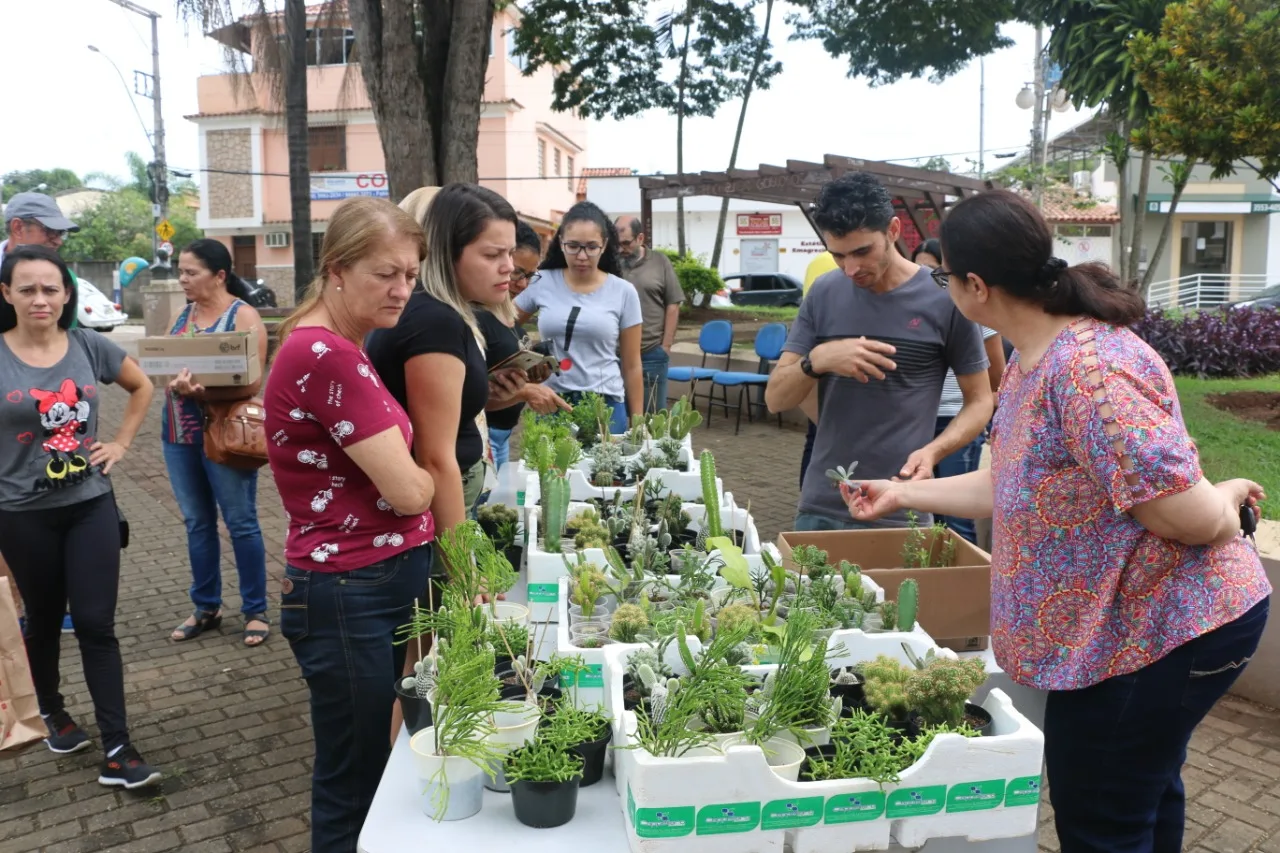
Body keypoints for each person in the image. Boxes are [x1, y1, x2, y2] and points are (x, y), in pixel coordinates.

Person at [842, 189, 1271, 853]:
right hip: (1120, 634)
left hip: (1162, 629)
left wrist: (1226, 490)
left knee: (1103, 816)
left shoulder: (1087, 371)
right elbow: (1010, 482)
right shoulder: (1033, 355)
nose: (943, 285)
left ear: (976, 286)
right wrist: (900, 497)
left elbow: (1187, 518)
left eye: (943, 274)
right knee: (1140, 794)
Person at [267, 197, 437, 853]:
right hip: (349, 592)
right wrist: (425, 477)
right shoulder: (327, 353)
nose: (401, 290)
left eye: (411, 275)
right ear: (336, 269)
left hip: (359, 587)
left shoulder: (333, 343)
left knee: (364, 765)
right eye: (385, 273)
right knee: (354, 781)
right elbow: (405, 489)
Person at [0, 245, 160, 788]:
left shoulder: (89, 345)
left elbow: (142, 387)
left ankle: (119, 747)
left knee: (95, 624)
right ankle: (52, 712)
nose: (40, 298)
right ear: (7, 295)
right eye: (27, 289)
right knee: (43, 621)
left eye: (50, 288)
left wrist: (119, 442)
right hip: (21, 514)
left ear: (67, 293)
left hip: (90, 504)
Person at [764, 173, 993, 531]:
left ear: (894, 231)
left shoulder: (944, 298)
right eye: (837, 255)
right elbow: (776, 398)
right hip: (822, 504)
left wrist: (933, 451)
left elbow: (981, 400)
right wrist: (819, 360)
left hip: (902, 506)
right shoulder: (823, 293)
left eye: (861, 251)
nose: (850, 268)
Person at [367, 183, 528, 524]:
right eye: (492, 255)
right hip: (437, 511)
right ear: (447, 253)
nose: (509, 267)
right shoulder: (434, 321)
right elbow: (436, 460)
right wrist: (462, 569)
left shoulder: (441, 312)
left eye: (510, 253)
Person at [165, 239, 270, 646]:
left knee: (241, 523)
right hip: (179, 432)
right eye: (181, 270)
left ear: (220, 275)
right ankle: (206, 606)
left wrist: (201, 392)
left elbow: (253, 381)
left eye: (191, 271)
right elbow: (164, 362)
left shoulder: (243, 316)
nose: (183, 278)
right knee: (197, 523)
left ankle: (255, 609)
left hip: (226, 433)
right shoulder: (183, 315)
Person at [2, 192, 83, 630]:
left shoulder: (56, 276)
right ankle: (15, 608)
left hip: (47, 423)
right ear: (18, 229)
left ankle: (46, 604)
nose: (57, 239)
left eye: (61, 233)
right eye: (49, 230)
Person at [516, 201, 643, 434]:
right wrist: (524, 370)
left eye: (591, 247)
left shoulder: (624, 292)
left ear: (604, 245)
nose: (582, 256)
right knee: (552, 470)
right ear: (560, 242)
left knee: (605, 471)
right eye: (573, 246)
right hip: (551, 402)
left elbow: (632, 364)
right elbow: (503, 325)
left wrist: (638, 422)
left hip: (606, 404)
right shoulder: (540, 281)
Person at [912, 238, 1005, 544]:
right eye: (918, 265)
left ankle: (963, 577)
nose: (924, 275)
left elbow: (997, 380)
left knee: (957, 518)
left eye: (933, 269)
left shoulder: (973, 314)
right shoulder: (915, 312)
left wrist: (987, 412)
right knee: (924, 510)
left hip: (958, 419)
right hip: (920, 421)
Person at [476, 221, 571, 469]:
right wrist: (525, 391)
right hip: (483, 437)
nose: (522, 284)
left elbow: (495, 377)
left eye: (530, 275)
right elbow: (467, 395)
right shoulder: (473, 318)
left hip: (502, 433)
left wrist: (529, 376)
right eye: (517, 272)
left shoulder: (503, 309)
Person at [616, 215, 683, 412]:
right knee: (614, 422)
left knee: (651, 419)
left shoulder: (660, 262)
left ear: (640, 238)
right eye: (616, 244)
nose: (620, 249)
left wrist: (666, 346)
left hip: (650, 353)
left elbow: (673, 304)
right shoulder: (610, 263)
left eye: (626, 243)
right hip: (614, 355)